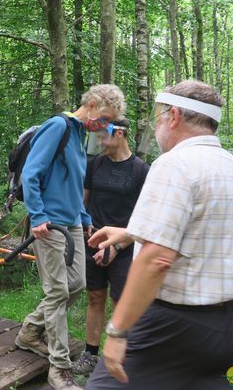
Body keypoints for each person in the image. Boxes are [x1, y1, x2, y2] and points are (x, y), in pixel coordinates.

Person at [86, 80, 233, 389]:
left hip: (171, 329)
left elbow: (157, 259)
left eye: (159, 117)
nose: (158, 125)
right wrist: (129, 233)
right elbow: (207, 234)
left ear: (174, 116)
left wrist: (118, 331)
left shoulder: (174, 163)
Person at [15, 84, 126, 390]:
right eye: (103, 118)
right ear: (90, 104)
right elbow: (31, 174)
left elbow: (74, 184)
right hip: (49, 225)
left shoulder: (79, 136)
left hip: (73, 224)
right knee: (57, 292)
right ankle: (59, 368)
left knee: (76, 285)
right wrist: (37, 216)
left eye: (108, 122)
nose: (103, 126)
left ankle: (29, 332)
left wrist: (85, 217)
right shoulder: (57, 127)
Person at [72, 118, 150, 376]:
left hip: (124, 248)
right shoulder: (95, 165)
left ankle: (122, 357)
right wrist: (84, 232)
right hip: (94, 241)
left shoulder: (141, 171)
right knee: (95, 297)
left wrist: (117, 247)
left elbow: (145, 219)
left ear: (119, 134)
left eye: (103, 137)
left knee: (121, 301)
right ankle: (91, 354)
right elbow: (84, 203)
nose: (99, 143)